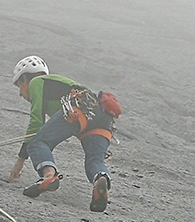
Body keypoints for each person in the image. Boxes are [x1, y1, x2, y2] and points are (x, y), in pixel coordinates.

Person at [7, 56, 120, 212]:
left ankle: (49, 176)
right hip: (103, 118)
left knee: (39, 143)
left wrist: (20, 160)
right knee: (94, 161)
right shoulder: (56, 84)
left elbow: (36, 122)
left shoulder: (37, 82)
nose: (21, 94)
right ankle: (101, 178)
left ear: (25, 79)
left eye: (20, 87)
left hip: (79, 109)